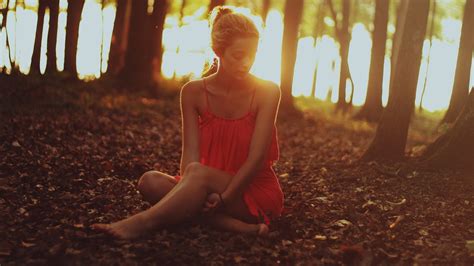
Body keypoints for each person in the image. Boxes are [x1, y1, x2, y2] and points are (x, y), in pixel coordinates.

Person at [91, 6, 284, 239]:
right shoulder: (193, 92)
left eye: (251, 55)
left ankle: (142, 223)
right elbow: (189, 160)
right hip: (205, 185)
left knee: (196, 177)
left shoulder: (267, 92)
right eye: (238, 55)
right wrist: (203, 191)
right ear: (218, 51)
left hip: (251, 192)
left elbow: (255, 160)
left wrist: (225, 198)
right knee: (149, 181)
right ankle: (237, 227)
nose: (246, 63)